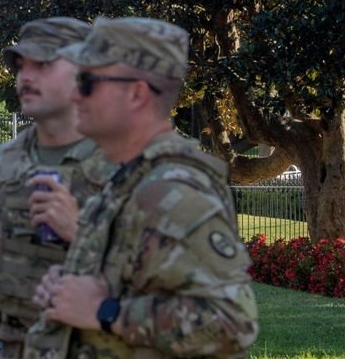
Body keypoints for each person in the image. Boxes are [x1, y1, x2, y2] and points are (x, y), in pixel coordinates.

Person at [26, 18, 259, 358]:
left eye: (87, 82)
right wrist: (69, 287)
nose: (74, 95)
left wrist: (105, 312)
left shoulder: (174, 188)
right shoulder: (130, 179)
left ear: (136, 93)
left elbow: (230, 321)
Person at [0, 17, 113, 359]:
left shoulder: (129, 164)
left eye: (43, 64)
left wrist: (81, 236)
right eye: (21, 66)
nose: (25, 77)